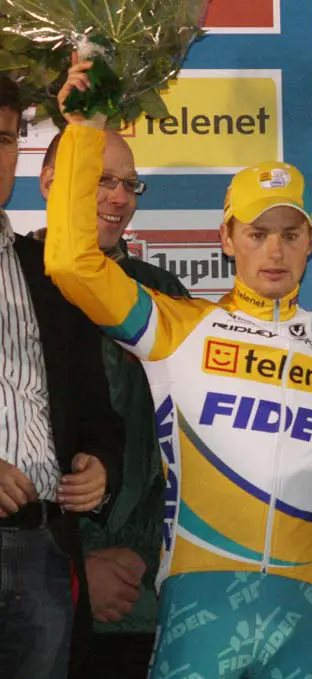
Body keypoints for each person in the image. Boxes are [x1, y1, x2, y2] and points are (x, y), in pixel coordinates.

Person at [44, 57, 312, 679]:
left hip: (307, 602)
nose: (274, 249)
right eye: (256, 232)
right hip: (202, 595)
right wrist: (85, 129)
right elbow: (73, 265)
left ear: (311, 242)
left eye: (290, 233)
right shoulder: (180, 328)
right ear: (225, 237)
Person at [36, 128, 191, 677]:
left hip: (143, 597)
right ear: (52, 181)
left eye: (129, 184)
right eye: (101, 180)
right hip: (38, 589)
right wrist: (78, 563)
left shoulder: (164, 295)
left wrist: (140, 562)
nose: (119, 198)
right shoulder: (19, 281)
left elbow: (184, 450)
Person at [0, 74, 123, 679]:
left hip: (43, 551)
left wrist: (99, 465)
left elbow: (99, 417)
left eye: (2, 138)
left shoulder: (51, 272)